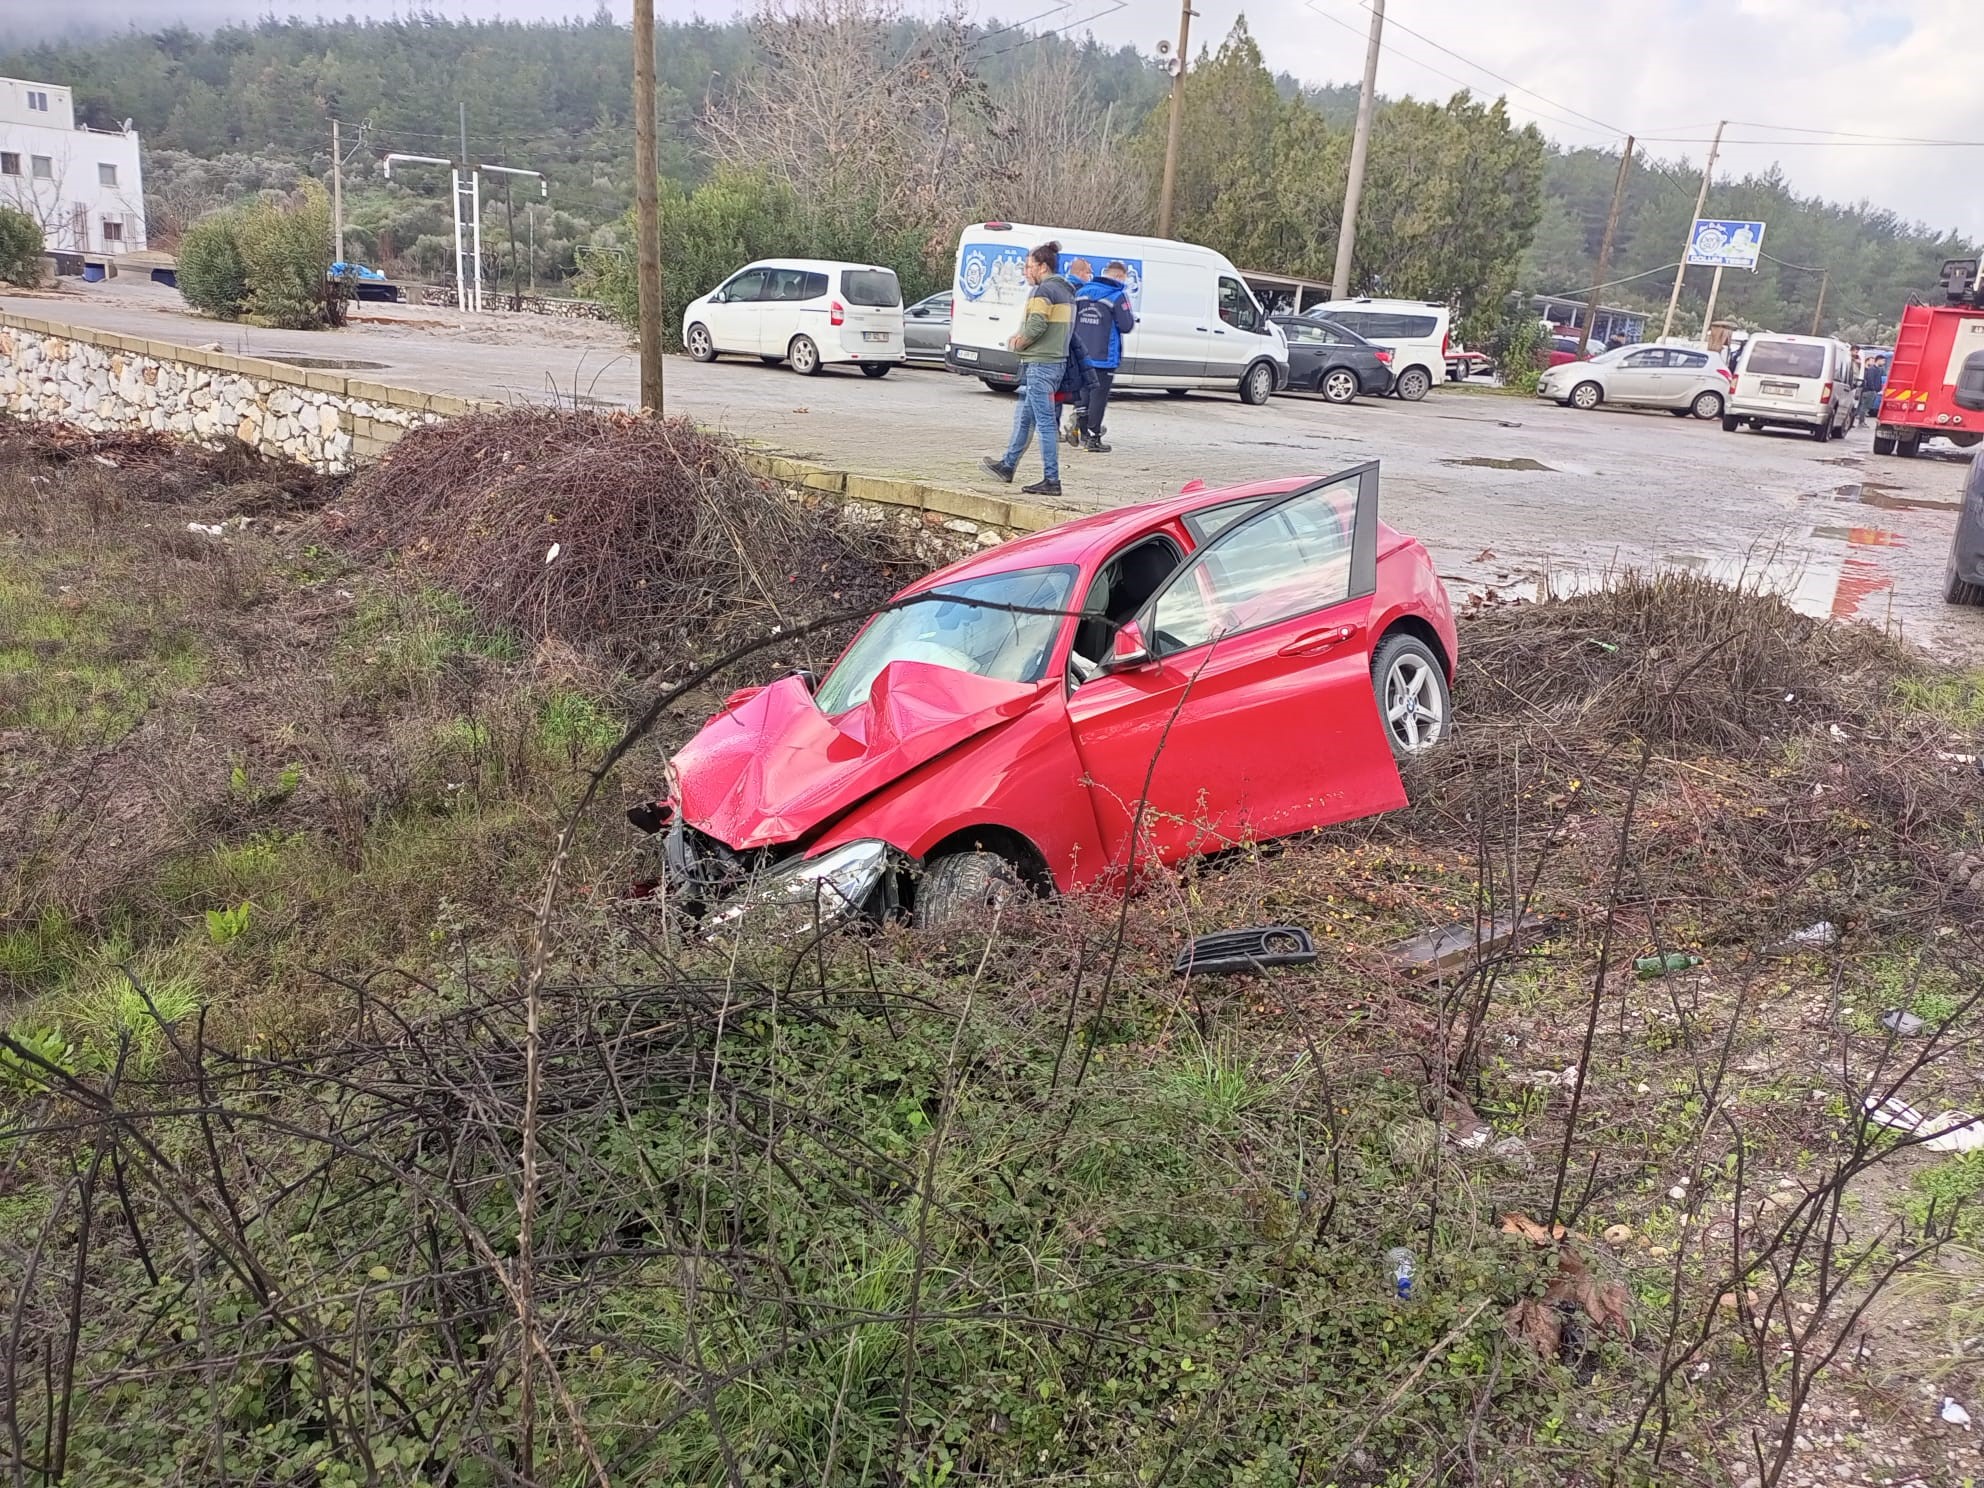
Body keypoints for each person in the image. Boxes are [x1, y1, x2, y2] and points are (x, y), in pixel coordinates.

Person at [981, 241, 1075, 497]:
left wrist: (1017, 342)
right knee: (1024, 419)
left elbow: (1036, 326)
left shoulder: (1043, 291)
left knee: (1045, 423)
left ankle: (1051, 480)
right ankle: (1007, 465)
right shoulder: (1066, 291)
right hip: (1054, 362)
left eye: (1028, 266)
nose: (1025, 271)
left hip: (1040, 364)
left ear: (1042, 267)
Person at [1065, 259, 1136, 453]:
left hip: (1080, 353)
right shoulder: (1118, 296)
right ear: (1120, 276)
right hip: (1104, 356)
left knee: (1083, 393)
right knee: (1099, 397)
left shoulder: (1081, 293)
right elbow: (1127, 325)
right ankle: (1093, 437)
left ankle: (1081, 431)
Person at [1862, 354, 1888, 421]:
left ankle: (1862, 421)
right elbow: (1870, 380)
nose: (1884, 363)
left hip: (1875, 391)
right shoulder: (1872, 369)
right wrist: (1873, 389)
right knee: (1865, 407)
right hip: (1870, 391)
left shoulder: (1879, 369)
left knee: (1868, 406)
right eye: (1883, 361)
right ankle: (1861, 422)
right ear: (1878, 360)